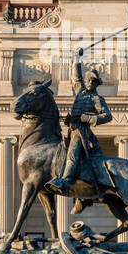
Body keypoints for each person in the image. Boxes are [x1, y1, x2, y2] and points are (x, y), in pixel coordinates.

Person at [46, 57, 112, 195]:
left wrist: (88, 118)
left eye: (93, 81)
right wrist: (76, 58)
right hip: (71, 129)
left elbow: (107, 116)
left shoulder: (97, 99)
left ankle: (65, 181)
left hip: (82, 132)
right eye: (88, 80)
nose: (90, 83)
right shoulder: (80, 91)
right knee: (61, 155)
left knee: (72, 155)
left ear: (96, 84)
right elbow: (76, 77)